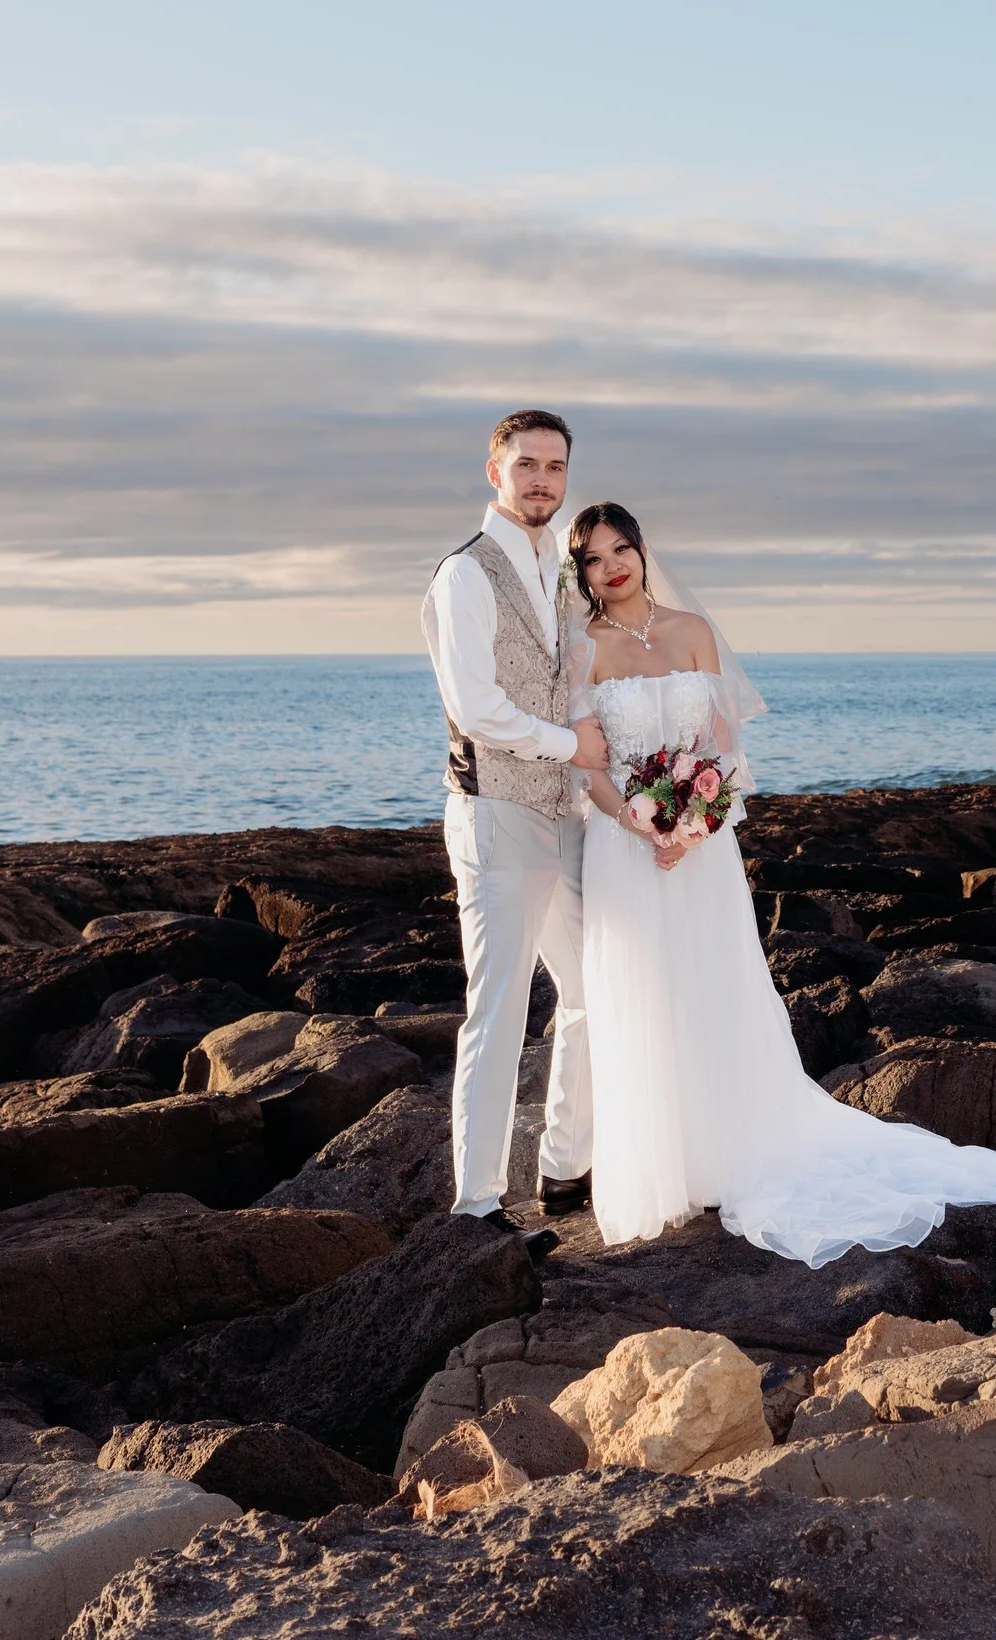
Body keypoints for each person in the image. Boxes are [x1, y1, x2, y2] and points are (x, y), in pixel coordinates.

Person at [562, 501, 996, 1266]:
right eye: (593, 558)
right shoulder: (585, 649)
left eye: (621, 548)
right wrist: (642, 825)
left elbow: (725, 754)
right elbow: (590, 768)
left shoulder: (693, 631)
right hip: (625, 850)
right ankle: (665, 1167)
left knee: (713, 988)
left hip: (701, 851)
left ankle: (726, 1149)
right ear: (582, 575)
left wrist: (695, 823)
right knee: (643, 994)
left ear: (643, 552)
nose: (612, 565)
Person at [419, 410, 609, 1257]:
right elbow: (476, 707)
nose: (542, 480)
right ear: (493, 471)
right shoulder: (465, 575)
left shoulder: (560, 572)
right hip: (496, 811)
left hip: (568, 813)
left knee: (591, 991)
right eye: (527, 465)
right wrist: (572, 746)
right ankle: (475, 1207)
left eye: (555, 468)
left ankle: (565, 1168)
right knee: (496, 1009)